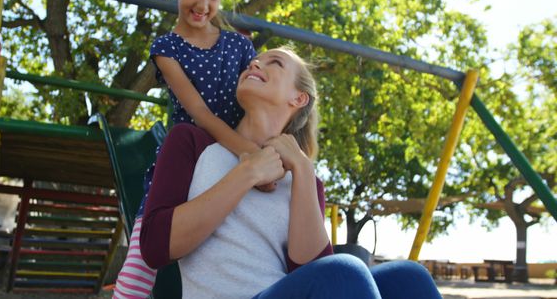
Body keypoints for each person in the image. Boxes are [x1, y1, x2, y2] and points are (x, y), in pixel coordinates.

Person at [139, 47, 443, 299]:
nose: (255, 63)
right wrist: (247, 172)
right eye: (254, 61)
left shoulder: (304, 180)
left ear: (298, 99)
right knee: (345, 271)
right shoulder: (192, 141)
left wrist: (302, 168)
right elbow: (155, 247)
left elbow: (312, 271)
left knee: (408, 277)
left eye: (275, 62)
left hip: (279, 291)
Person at [114, 0, 261, 297]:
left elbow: (256, 104)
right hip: (186, 159)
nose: (203, 5)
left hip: (231, 161)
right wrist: (251, 154)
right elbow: (200, 113)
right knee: (139, 262)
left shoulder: (240, 47)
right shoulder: (167, 48)